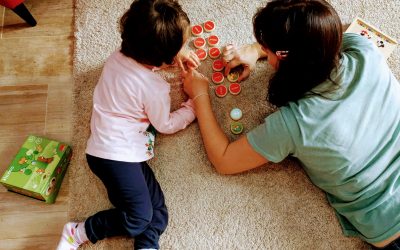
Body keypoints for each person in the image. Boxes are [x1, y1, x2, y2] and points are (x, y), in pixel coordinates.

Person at [182, 0, 400, 248]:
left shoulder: (293, 123)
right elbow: (327, 34)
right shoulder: (364, 51)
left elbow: (223, 159)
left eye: (268, 47)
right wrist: (256, 50)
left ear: (285, 58)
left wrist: (200, 95)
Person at [56, 0, 200, 249]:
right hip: (111, 156)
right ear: (164, 58)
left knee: (157, 213)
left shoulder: (118, 56)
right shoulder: (154, 88)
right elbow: (165, 124)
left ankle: (146, 244)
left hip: (120, 151)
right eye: (182, 46)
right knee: (137, 218)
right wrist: (193, 106)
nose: (184, 49)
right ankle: (79, 232)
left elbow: (149, 48)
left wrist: (177, 53)